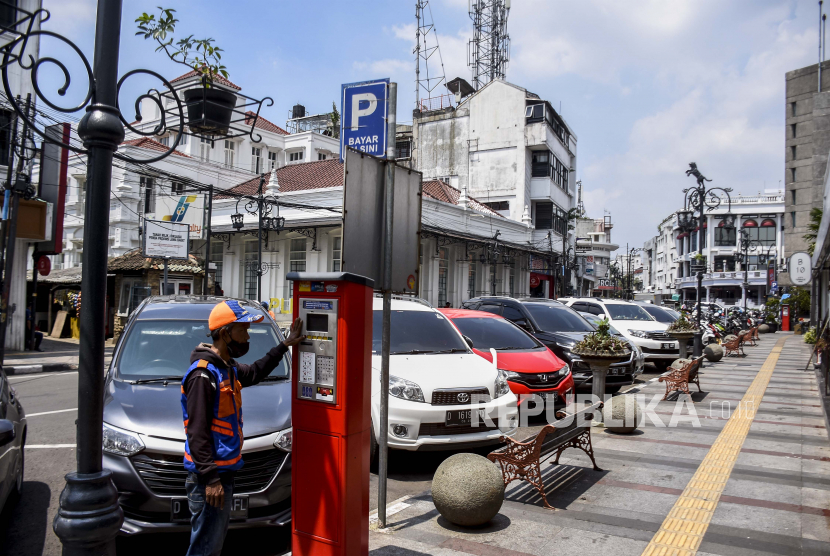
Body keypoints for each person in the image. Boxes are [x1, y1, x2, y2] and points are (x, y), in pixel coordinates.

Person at [181, 300, 304, 556]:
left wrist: (284, 345)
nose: (247, 337)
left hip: (223, 475)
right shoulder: (204, 375)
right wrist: (211, 478)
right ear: (225, 333)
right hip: (209, 480)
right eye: (243, 330)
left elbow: (255, 372)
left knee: (211, 544)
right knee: (205, 547)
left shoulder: (227, 368)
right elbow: (197, 432)